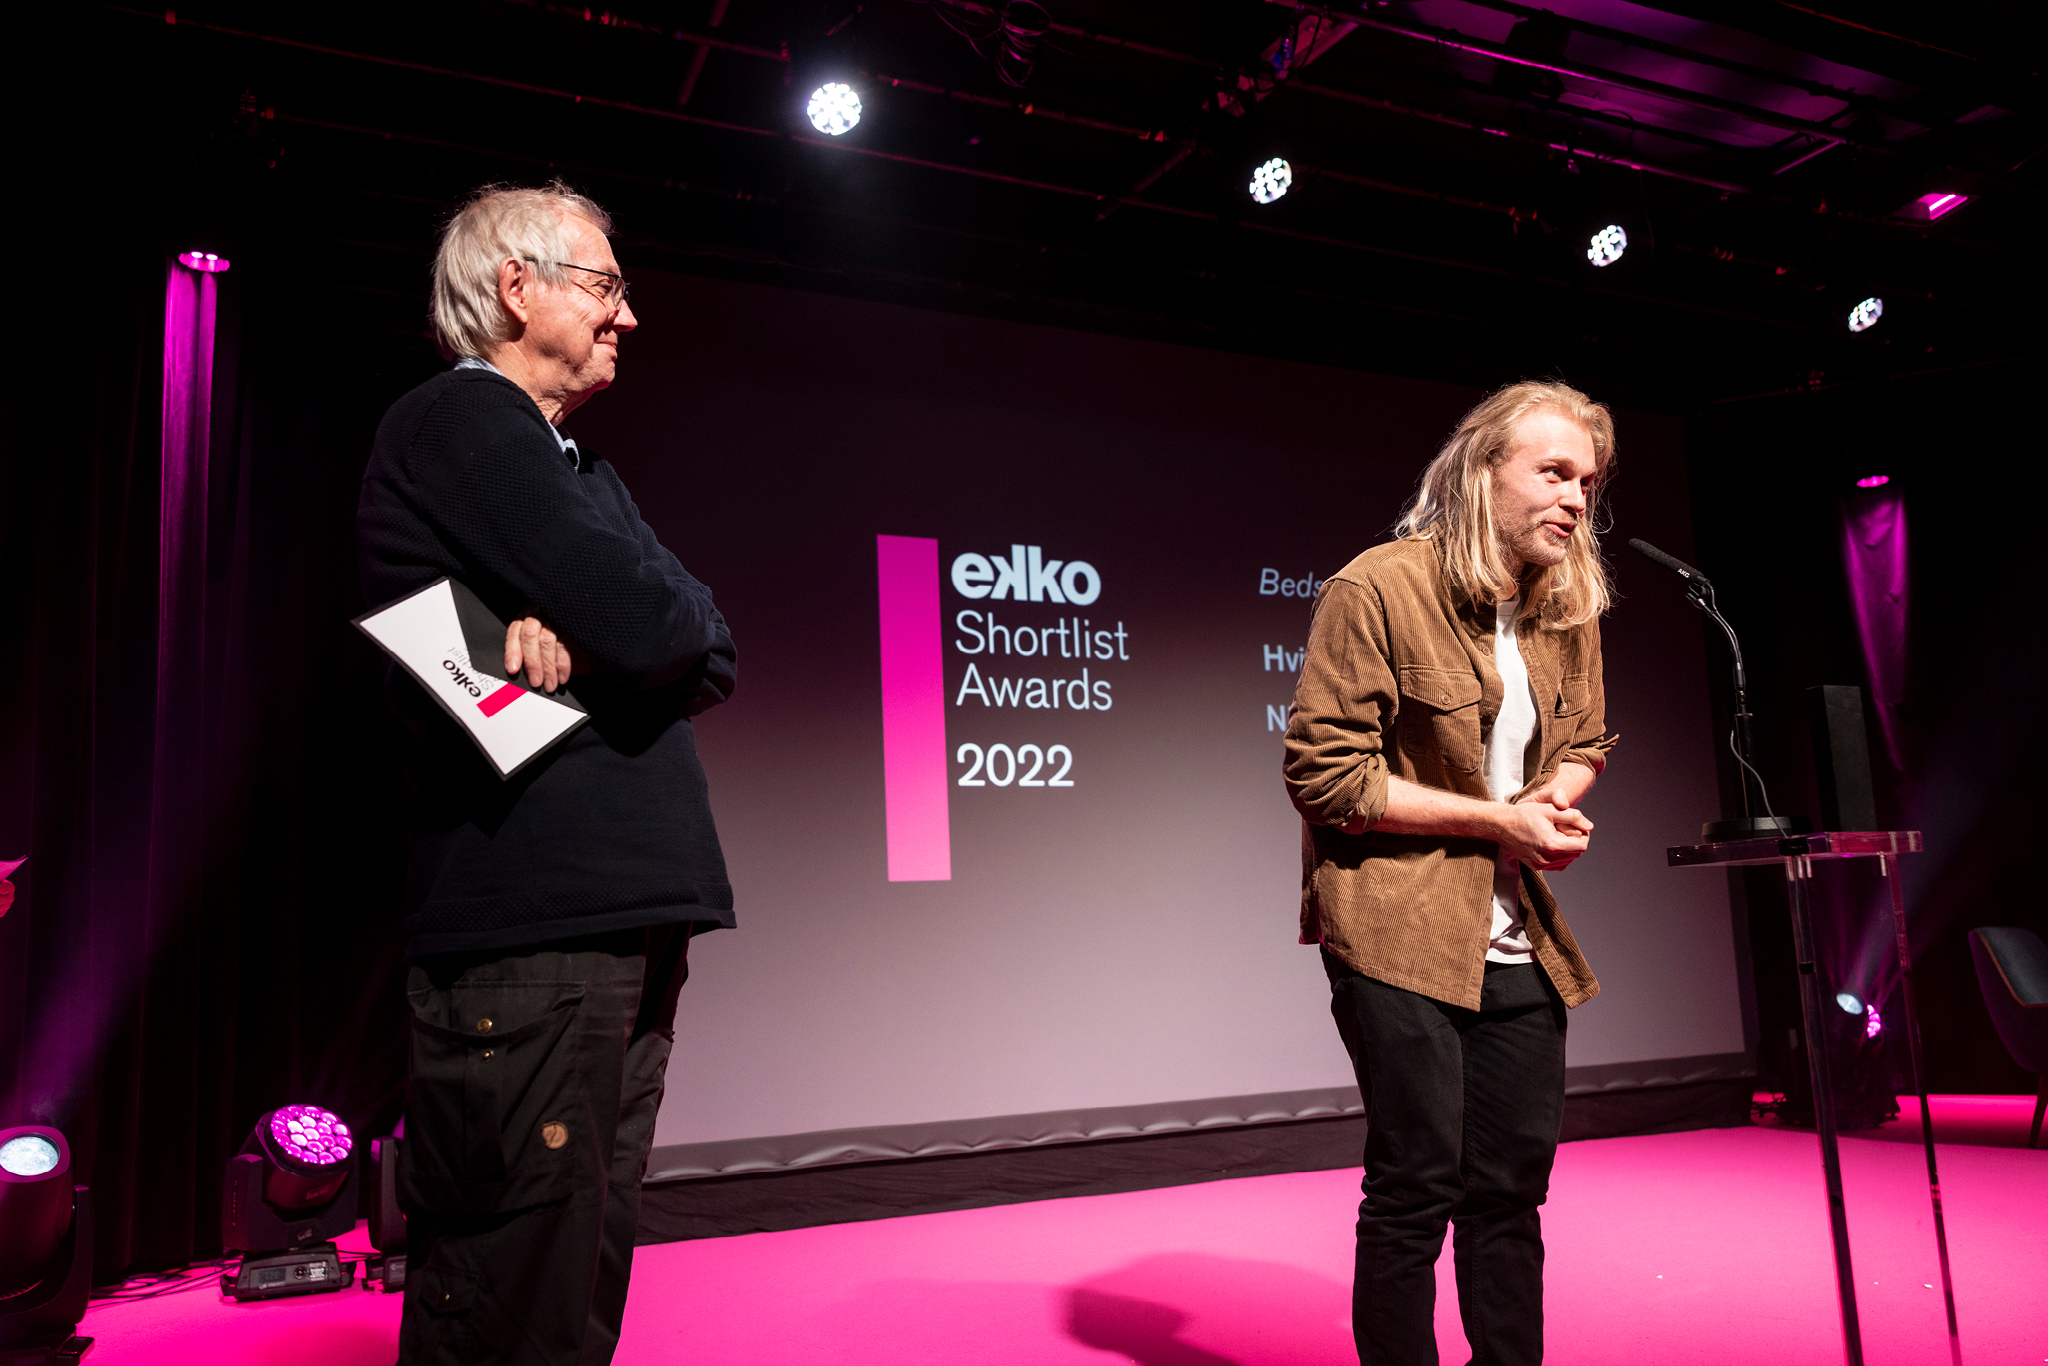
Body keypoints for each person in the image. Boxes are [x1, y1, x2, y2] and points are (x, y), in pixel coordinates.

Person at [358, 181, 736, 1365]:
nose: (629, 316)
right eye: (605, 286)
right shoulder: (463, 420)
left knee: (573, 1293)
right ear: (516, 288)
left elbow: (710, 645)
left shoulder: (583, 469)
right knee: (511, 1295)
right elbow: (647, 626)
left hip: (613, 918)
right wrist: (621, 628)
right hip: (534, 924)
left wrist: (603, 629)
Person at [1281, 381, 1618, 1366]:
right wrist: (1500, 822)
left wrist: (1553, 799)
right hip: (1397, 930)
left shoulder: (1567, 606)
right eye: (1552, 472)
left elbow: (1590, 739)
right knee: (1416, 1183)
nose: (1574, 499)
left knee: (1508, 1191)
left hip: (1519, 940)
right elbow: (1324, 777)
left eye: (1586, 482)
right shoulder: (1376, 589)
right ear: (1482, 472)